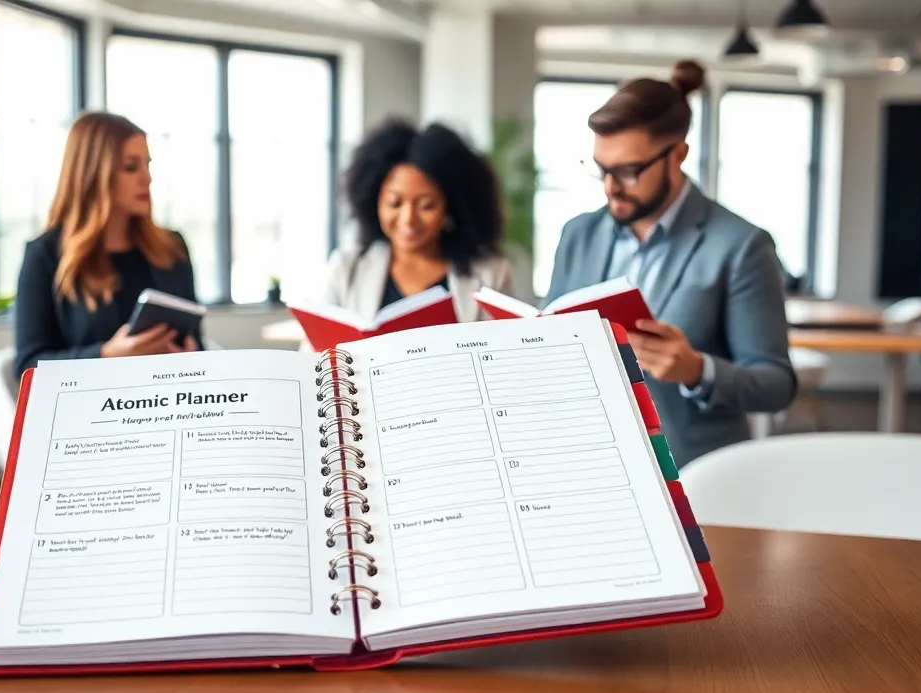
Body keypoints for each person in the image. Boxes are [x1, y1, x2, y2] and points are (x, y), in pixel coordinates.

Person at [544, 60, 795, 467]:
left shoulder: (742, 246)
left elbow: (776, 385)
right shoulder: (578, 234)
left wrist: (697, 370)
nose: (610, 188)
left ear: (678, 154)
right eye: (601, 169)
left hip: (690, 467)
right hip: (585, 460)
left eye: (628, 171)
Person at [13, 112, 200, 379]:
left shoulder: (172, 247)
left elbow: (198, 342)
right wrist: (106, 355)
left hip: (168, 399)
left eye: (147, 164)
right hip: (90, 405)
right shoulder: (45, 256)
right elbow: (27, 367)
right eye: (131, 167)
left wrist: (190, 353)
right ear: (92, 174)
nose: (147, 178)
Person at [315, 117, 512, 329]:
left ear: (452, 207)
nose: (408, 219)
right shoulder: (346, 269)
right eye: (395, 203)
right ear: (374, 201)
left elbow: (508, 345)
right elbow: (316, 346)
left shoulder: (492, 273)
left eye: (426, 205)